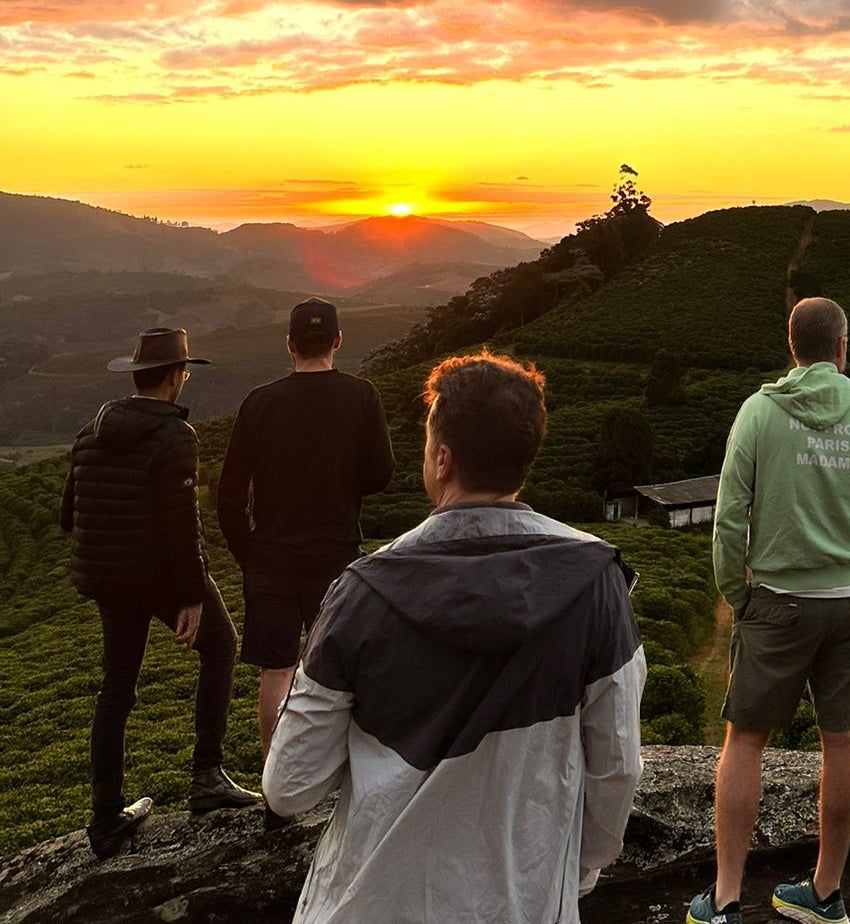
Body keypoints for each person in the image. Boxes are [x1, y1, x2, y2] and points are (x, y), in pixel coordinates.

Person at [264, 350, 645, 924]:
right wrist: (576, 869)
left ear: (442, 459)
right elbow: (617, 766)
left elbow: (290, 787)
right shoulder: (597, 584)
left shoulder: (362, 591)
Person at [692, 297, 850, 924]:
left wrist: (736, 595)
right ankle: (824, 894)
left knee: (744, 741)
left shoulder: (760, 413)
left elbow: (728, 514)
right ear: (842, 347)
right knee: (841, 740)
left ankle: (726, 900)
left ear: (792, 347)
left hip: (777, 601)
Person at [60, 327, 262, 860]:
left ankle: (105, 819)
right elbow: (181, 525)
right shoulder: (176, 436)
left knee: (116, 688)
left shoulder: (90, 431)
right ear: (175, 377)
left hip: (106, 576)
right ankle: (207, 777)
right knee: (220, 647)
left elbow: (67, 514)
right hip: (154, 574)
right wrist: (190, 594)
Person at [217, 297, 394, 762]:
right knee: (341, 667)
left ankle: (277, 783)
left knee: (277, 671)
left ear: (290, 345)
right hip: (336, 554)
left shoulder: (259, 402)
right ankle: (338, 779)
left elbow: (229, 491)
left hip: (271, 558)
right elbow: (381, 475)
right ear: (337, 341)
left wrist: (247, 552)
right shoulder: (361, 395)